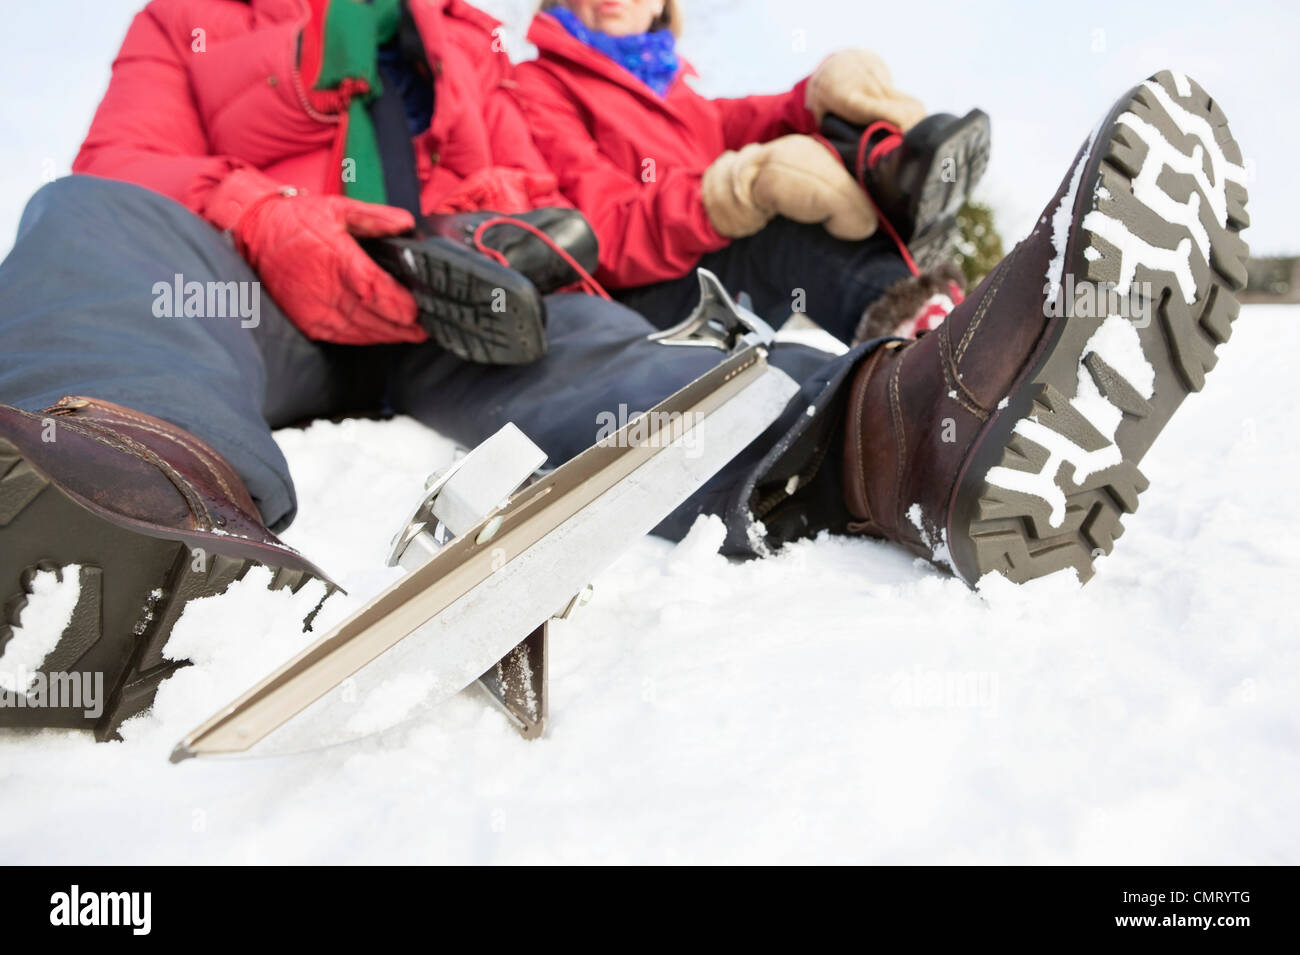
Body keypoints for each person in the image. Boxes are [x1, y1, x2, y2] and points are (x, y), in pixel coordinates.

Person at [0, 0, 1249, 742]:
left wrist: (518, 249)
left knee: (591, 345)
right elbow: (131, 164)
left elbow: (545, 197)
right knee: (90, 224)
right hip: (253, 297)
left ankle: (899, 434)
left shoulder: (467, 45)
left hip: (440, 310)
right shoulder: (189, 20)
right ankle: (132, 505)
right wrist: (275, 218)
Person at [512, 0, 990, 344]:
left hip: (700, 277)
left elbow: (750, 121)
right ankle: (920, 328)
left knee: (822, 145)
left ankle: (884, 172)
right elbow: (599, 234)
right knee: (779, 218)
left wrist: (817, 96)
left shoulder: (674, 89)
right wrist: (730, 198)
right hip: (634, 305)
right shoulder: (539, 84)